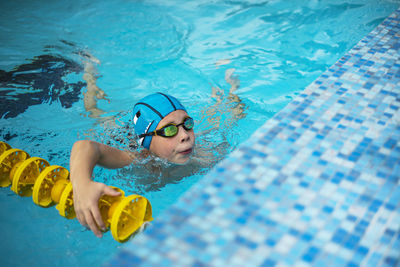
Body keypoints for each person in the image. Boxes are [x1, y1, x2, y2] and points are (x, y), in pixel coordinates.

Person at [70, 59, 246, 238]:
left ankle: (228, 84)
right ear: (147, 141)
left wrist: (233, 89)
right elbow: (85, 147)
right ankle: (90, 78)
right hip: (121, 137)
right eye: (169, 130)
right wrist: (82, 184)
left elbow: (233, 115)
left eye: (188, 123)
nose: (185, 135)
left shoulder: (203, 155)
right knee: (95, 113)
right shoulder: (137, 159)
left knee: (233, 112)